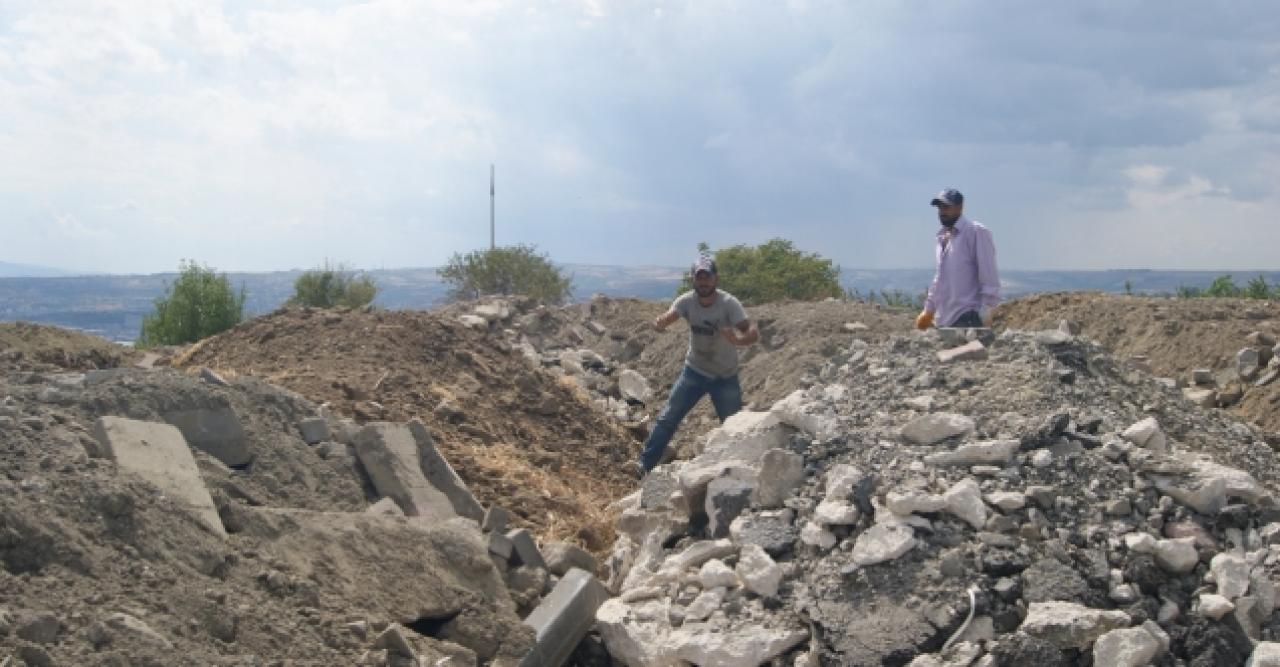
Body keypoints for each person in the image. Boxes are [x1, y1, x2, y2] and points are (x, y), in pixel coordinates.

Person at [633, 254, 759, 476]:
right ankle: (644, 465)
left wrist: (737, 340)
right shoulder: (687, 301)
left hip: (724, 377)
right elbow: (668, 317)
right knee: (668, 417)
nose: (703, 282)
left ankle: (739, 471)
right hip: (695, 371)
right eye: (699, 277)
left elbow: (752, 333)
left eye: (707, 277)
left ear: (715, 279)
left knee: (735, 428)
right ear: (693, 279)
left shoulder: (728, 304)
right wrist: (660, 324)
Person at [915, 188, 1000, 330]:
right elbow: (940, 278)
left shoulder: (975, 232)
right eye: (940, 207)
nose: (942, 211)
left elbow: (989, 273)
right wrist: (928, 309)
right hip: (945, 319)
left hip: (968, 316)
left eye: (946, 207)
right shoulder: (942, 238)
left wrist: (987, 308)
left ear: (959, 207)